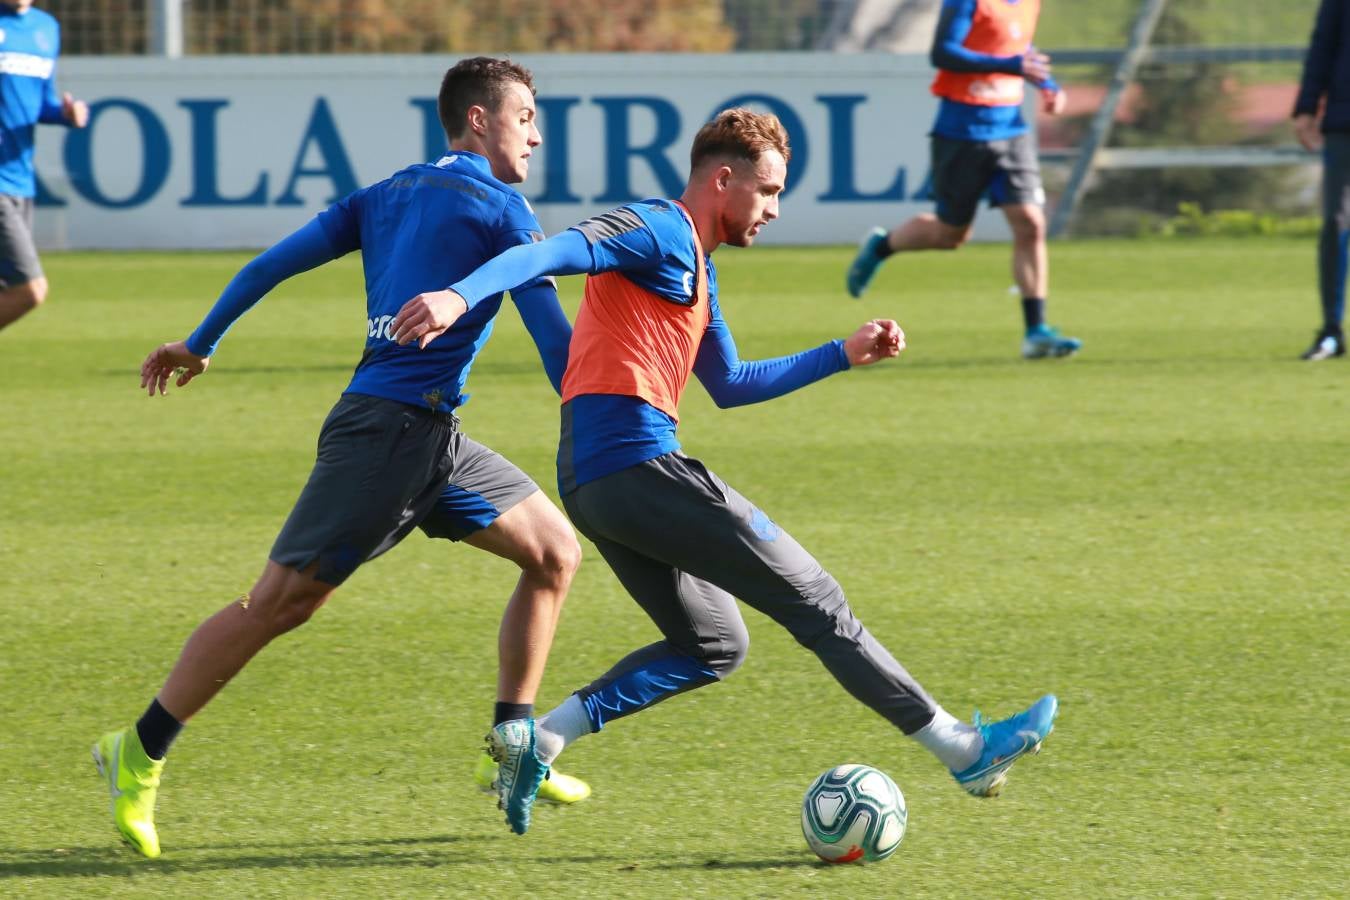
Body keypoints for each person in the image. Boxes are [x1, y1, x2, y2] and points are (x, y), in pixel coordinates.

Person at [390, 108, 1059, 836]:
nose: (773, 210)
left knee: (712, 643)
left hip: (599, 482)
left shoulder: (698, 267)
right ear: (723, 180)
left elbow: (733, 381)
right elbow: (551, 255)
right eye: (767, 191)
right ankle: (962, 749)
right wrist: (460, 295)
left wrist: (844, 353)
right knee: (818, 600)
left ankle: (537, 741)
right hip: (636, 464)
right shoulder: (657, 227)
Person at [93, 57, 592, 860]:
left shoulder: (386, 192)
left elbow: (268, 265)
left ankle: (511, 744)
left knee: (553, 552)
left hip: (430, 437)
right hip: (387, 437)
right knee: (280, 605)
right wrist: (608, 405)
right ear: (476, 120)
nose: (537, 130)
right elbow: (554, 343)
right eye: (525, 113)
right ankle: (138, 750)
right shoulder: (504, 209)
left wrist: (201, 343)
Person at [844, 0, 1080, 360]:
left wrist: (1047, 83)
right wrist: (1012, 65)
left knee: (1031, 223)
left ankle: (1036, 332)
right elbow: (944, 53)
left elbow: (1018, 48)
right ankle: (882, 247)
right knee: (950, 234)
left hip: (1012, 129)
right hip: (963, 132)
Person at [0, 0, 88, 333]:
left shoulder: (45, 27)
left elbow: (40, 101)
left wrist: (64, 114)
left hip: (19, 177)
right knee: (28, 291)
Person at [1293, 0, 1350, 361]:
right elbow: (1323, 44)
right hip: (1344, 122)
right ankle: (1331, 330)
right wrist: (1306, 106)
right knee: (1335, 221)